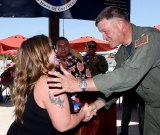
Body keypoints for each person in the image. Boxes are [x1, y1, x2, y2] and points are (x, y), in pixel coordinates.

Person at [47, 6, 160, 135]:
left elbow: (126, 76)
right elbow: (117, 86)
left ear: (120, 24)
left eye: (106, 31)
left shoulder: (149, 38)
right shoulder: (122, 52)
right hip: (152, 109)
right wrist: (95, 105)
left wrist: (79, 84)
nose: (104, 37)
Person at [7, 35, 94, 135]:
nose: (56, 51)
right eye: (51, 49)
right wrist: (83, 113)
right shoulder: (48, 83)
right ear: (42, 55)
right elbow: (64, 125)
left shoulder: (29, 78)